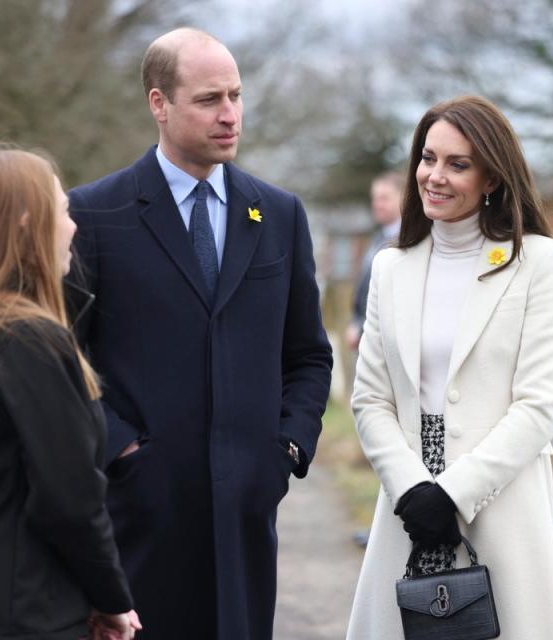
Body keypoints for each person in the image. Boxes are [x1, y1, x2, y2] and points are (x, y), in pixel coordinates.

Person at [66, 28, 333, 640]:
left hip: (246, 515)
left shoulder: (279, 214)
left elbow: (309, 356)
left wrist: (287, 446)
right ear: (159, 104)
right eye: (210, 99)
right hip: (137, 520)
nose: (230, 115)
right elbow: (64, 358)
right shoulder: (95, 213)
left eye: (236, 96)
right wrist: (122, 451)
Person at [346, 96, 553, 640]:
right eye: (428, 159)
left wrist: (452, 493)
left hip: (499, 509)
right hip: (408, 509)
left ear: (492, 176)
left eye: (458, 164)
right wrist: (412, 491)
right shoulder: (389, 267)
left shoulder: (539, 263)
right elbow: (371, 399)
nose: (435, 176)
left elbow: (538, 406)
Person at [0, 143, 140, 640]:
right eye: (61, 211)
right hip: (19, 615)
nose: (73, 226)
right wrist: (111, 598)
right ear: (24, 222)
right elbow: (71, 501)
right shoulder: (28, 340)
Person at [344, 171, 404, 352]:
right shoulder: (378, 238)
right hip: (366, 337)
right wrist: (356, 322)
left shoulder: (409, 242)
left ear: (404, 198)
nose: (377, 204)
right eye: (375, 199)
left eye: (384, 198)